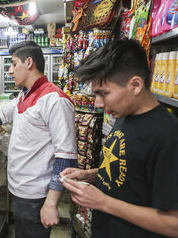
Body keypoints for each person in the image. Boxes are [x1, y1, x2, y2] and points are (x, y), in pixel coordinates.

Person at [60, 39, 178, 237]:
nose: (97, 103)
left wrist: (103, 202)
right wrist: (93, 174)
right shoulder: (124, 114)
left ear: (135, 85)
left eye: (103, 93)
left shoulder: (168, 136)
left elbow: (173, 224)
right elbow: (132, 170)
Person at [0, 41, 77, 238]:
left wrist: (51, 203)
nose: (10, 70)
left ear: (29, 62)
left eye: (13, 64)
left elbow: (66, 158)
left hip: (36, 195)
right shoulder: (24, 95)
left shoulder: (55, 100)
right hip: (20, 190)